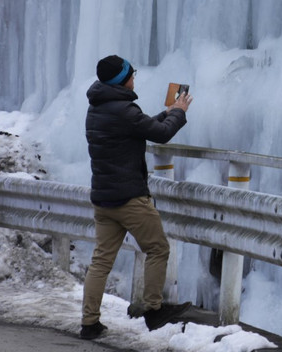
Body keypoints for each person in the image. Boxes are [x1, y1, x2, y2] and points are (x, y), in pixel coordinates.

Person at [79, 55, 195, 340]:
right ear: (123, 79)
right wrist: (178, 111)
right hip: (129, 198)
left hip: (103, 199)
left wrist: (166, 112)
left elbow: (138, 127)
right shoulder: (124, 110)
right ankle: (154, 311)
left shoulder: (98, 108)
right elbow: (162, 134)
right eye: (132, 73)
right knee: (157, 248)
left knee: (101, 261)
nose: (135, 77)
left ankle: (89, 322)